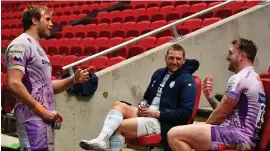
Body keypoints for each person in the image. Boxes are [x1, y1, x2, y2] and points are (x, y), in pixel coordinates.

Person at [79, 44, 199, 151]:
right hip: (148, 113)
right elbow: (147, 97)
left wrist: (156, 113)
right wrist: (143, 104)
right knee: (118, 105)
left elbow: (185, 113)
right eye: (171, 58)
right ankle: (100, 140)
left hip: (162, 121)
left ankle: (102, 141)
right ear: (165, 58)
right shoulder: (159, 73)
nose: (174, 61)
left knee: (119, 126)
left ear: (183, 61)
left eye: (178, 59)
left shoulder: (187, 80)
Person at [5, 5, 90, 151]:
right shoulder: (20, 44)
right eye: (48, 19)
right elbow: (13, 83)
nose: (52, 24)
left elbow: (46, 86)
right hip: (31, 118)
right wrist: (43, 111)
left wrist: (73, 80)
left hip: (42, 118)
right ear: (34, 20)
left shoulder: (38, 48)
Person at [167, 38, 266, 151]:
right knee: (189, 131)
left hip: (237, 136)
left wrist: (204, 127)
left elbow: (221, 114)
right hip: (243, 137)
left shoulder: (239, 78)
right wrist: (210, 97)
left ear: (242, 56)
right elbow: (227, 112)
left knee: (174, 135)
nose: (227, 57)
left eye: (230, 53)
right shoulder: (253, 77)